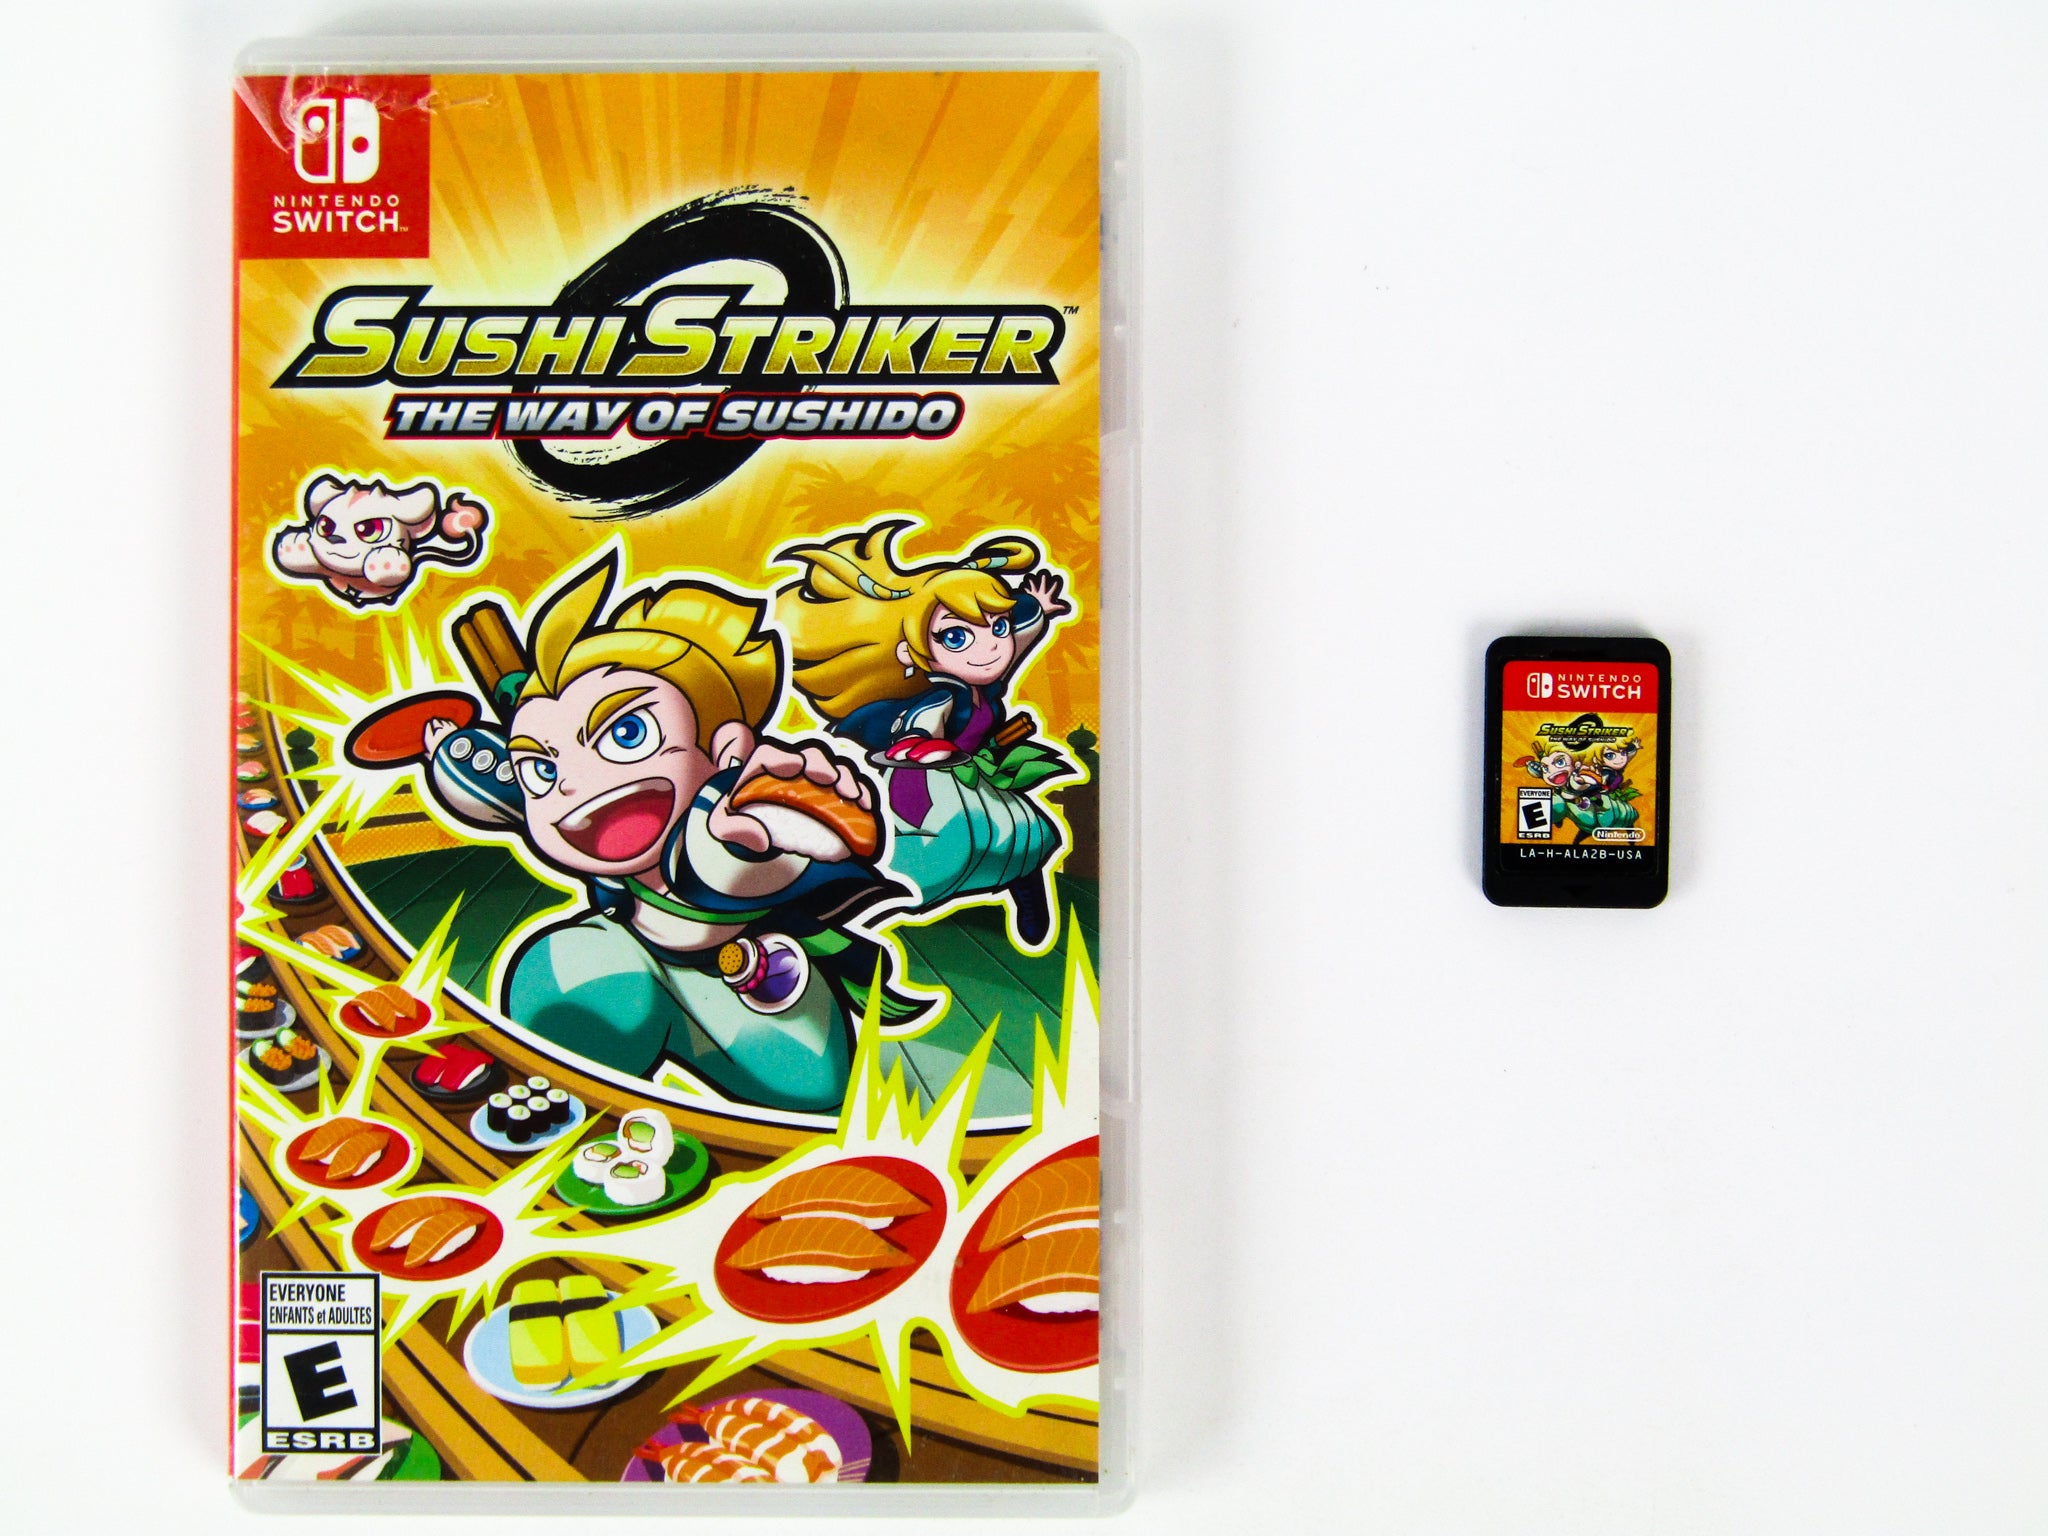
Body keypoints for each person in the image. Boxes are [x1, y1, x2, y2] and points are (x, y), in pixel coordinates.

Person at [409, 549, 911, 1113]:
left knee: (810, 1088)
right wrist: (449, 755)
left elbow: (764, 854)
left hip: (752, 978)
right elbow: (493, 793)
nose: (573, 783)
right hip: (628, 958)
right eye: (540, 769)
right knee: (571, 972)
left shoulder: (731, 818)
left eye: (627, 734)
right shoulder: (584, 894)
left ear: (725, 750)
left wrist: (789, 842)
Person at [773, 517, 1076, 948]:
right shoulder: (942, 697)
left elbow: (1016, 643)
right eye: (955, 637)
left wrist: (1038, 611)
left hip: (976, 781)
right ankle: (847, 918)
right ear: (910, 653)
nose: (990, 646)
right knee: (935, 860)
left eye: (998, 627)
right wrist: (921, 746)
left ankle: (1027, 897)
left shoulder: (984, 682)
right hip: (929, 790)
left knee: (1027, 835)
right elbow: (918, 728)